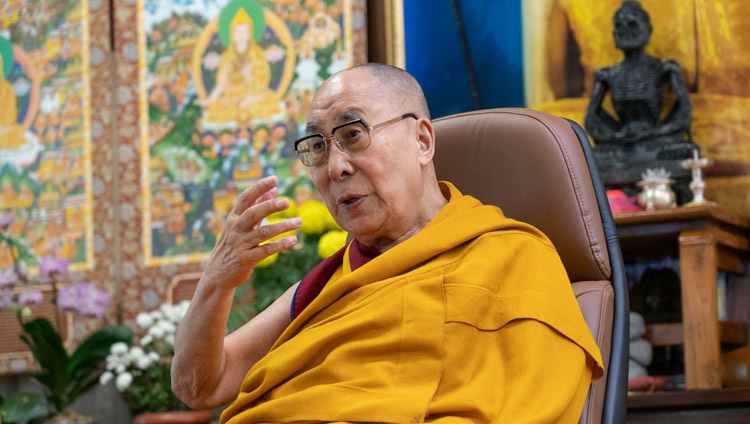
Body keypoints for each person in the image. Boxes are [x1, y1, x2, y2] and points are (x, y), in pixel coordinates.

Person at [172, 63, 604, 422]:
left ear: (421, 141)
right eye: (318, 147)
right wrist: (216, 281)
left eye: (353, 134)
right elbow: (200, 386)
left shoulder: (514, 257)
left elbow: (531, 409)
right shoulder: (327, 283)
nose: (335, 167)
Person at [584, 0, 698, 203]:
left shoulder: (664, 68)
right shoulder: (606, 75)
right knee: (592, 159)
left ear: (648, 30)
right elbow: (592, 120)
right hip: (622, 146)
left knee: (689, 152)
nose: (625, 30)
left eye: (632, 24)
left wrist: (656, 132)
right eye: (619, 26)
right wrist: (615, 135)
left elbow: (684, 113)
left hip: (655, 140)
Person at [196, 1, 282, 125]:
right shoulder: (228, 57)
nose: (241, 36)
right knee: (218, 110)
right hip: (232, 98)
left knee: (269, 101)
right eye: (238, 32)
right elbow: (221, 84)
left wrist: (251, 96)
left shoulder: (257, 55)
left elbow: (262, 81)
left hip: (254, 97)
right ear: (232, 35)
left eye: (244, 32)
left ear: (250, 34)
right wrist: (210, 100)